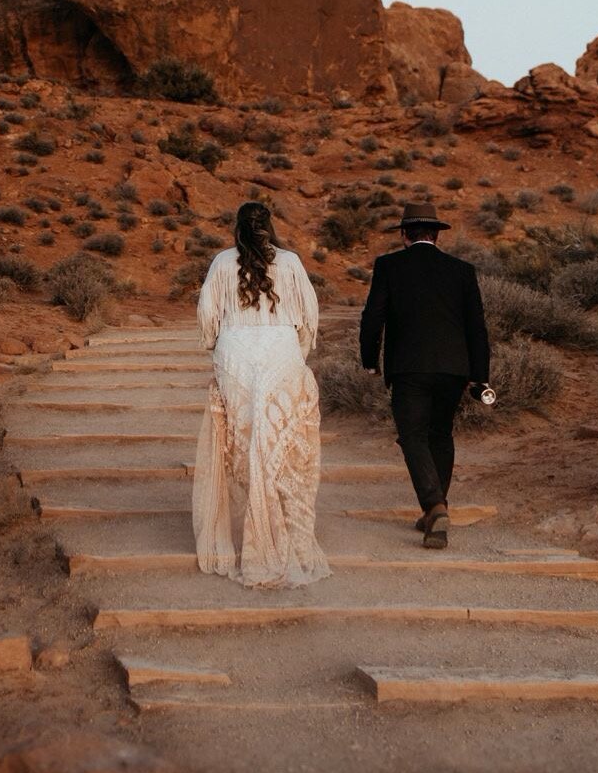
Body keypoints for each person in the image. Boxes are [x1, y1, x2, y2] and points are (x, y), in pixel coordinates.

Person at [192, 201, 331, 588]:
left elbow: (207, 316)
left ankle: (250, 528)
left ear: (237, 229)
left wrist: (216, 346)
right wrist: (296, 353)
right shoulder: (289, 262)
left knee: (242, 443)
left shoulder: (222, 263)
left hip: (235, 354)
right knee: (279, 442)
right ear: (269, 226)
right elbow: (310, 314)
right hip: (281, 353)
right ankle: (277, 524)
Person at [358, 202, 491, 550]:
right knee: (440, 435)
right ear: (435, 235)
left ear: (404, 235)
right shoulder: (461, 269)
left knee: (412, 436)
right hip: (454, 368)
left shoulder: (389, 266)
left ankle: (434, 506)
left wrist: (369, 360)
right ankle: (435, 513)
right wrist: (480, 376)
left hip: (409, 367)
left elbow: (374, 316)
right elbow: (477, 327)